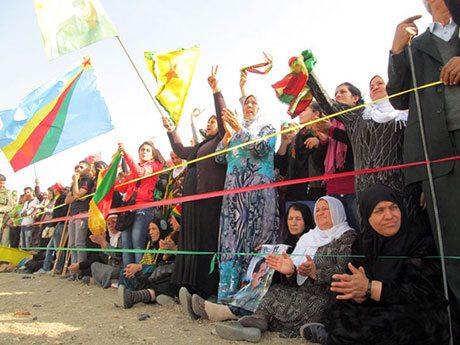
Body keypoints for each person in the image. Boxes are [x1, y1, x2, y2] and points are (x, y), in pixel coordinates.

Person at [386, 1, 460, 338]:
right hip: (438, 155)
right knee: (452, 246)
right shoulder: (416, 44)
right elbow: (400, 99)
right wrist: (397, 50)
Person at [301, 185, 449, 345]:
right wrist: (358, 293)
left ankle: (336, 337)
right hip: (373, 303)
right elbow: (352, 280)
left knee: (403, 323)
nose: (389, 216)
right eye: (379, 211)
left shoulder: (419, 239)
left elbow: (422, 293)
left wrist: (370, 288)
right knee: (336, 305)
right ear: (367, 215)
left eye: (394, 208)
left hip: (412, 306)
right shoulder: (364, 242)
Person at [213, 197, 356, 342]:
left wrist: (315, 272)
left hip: (326, 297)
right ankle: (257, 322)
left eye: (325, 209)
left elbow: (344, 270)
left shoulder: (347, 237)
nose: (320, 213)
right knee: (273, 290)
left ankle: (255, 325)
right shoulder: (309, 237)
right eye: (317, 210)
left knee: (318, 308)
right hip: (301, 291)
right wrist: (290, 271)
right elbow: (295, 280)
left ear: (337, 211)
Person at [312, 76, 421, 222]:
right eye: (371, 86)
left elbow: (417, 153)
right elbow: (328, 104)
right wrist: (308, 74)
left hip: (400, 190)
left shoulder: (406, 115)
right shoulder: (360, 116)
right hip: (366, 192)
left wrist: (423, 187)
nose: (375, 87)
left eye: (380, 83)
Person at [163, 66, 226, 303]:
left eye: (213, 121)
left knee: (207, 243)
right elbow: (179, 149)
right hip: (190, 202)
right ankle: (186, 286)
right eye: (208, 122)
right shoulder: (200, 147)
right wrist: (171, 130)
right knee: (189, 242)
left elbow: (222, 117)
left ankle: (206, 289)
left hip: (209, 200)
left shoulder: (220, 142)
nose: (211, 124)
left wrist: (216, 91)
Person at [189, 203, 313, 323]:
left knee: (263, 290)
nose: (293, 223)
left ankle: (221, 312)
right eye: (290, 218)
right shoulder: (287, 242)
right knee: (254, 285)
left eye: (298, 219)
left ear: (306, 221)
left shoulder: (309, 244)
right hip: (274, 286)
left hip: (293, 291)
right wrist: (263, 252)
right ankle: (213, 308)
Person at [215, 70, 279, 303]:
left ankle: (250, 302)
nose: (249, 105)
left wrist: (239, 130)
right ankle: (226, 299)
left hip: (258, 198)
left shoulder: (268, 127)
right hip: (233, 198)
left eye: (254, 102)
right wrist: (227, 136)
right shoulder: (235, 130)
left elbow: (262, 148)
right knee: (231, 243)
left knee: (255, 243)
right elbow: (219, 158)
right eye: (246, 102)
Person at [310, 82, 360, 231]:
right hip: (333, 191)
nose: (338, 95)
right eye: (336, 93)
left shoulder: (360, 118)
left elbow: (357, 142)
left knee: (358, 232)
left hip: (354, 190)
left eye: (342, 92)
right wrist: (324, 140)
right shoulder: (332, 123)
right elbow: (319, 163)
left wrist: (331, 131)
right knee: (334, 234)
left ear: (355, 98)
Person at [118, 211, 181, 308]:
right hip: (153, 273)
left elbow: (160, 265)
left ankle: (137, 295)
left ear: (161, 229)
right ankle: (131, 294)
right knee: (125, 272)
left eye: (154, 229)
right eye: (149, 229)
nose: (151, 232)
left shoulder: (169, 240)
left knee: (151, 281)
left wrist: (139, 267)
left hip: (162, 274)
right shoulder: (150, 244)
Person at [116, 141, 164, 265]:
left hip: (143, 208)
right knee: (126, 245)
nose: (144, 152)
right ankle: (127, 279)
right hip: (128, 209)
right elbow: (122, 188)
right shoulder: (134, 169)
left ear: (153, 155)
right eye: (142, 149)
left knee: (137, 243)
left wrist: (126, 154)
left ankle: (139, 277)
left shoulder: (154, 166)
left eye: (148, 150)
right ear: (138, 153)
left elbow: (140, 173)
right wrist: (109, 178)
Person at [275, 102, 327, 216]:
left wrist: (320, 144)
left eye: (304, 109)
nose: (299, 113)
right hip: (293, 194)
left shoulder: (323, 135)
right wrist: (284, 142)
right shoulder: (296, 139)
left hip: (313, 194)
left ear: (315, 114)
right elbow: (282, 167)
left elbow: (323, 163)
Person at [65, 160, 94, 274]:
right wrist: (76, 194)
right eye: (77, 167)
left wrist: (75, 186)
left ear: (87, 170)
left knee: (79, 243)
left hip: (82, 213)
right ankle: (72, 271)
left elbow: (78, 195)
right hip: (72, 213)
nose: (78, 169)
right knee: (72, 244)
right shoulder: (75, 182)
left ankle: (79, 270)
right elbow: (67, 200)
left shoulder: (87, 180)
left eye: (81, 167)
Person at [36, 183, 68, 274]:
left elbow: (59, 212)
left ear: (56, 189)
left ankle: (59, 267)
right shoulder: (57, 198)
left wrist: (53, 223)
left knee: (59, 248)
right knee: (50, 247)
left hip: (61, 224)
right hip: (57, 224)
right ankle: (46, 267)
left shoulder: (62, 197)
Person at [0, 174, 15, 246]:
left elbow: (10, 206)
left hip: (1, 217)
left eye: (3, 183)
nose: (1, 185)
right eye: (0, 183)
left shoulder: (7, 193)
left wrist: (1, 209)